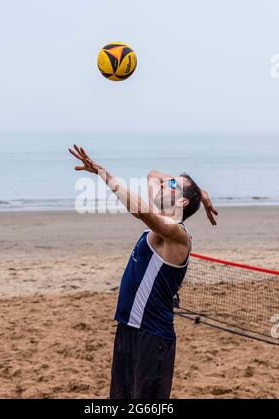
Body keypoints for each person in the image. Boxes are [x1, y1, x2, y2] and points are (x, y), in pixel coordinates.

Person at [69, 145, 218, 399]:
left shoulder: (176, 234)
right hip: (127, 329)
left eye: (172, 186)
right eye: (168, 182)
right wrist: (197, 191)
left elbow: (140, 210)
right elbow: (152, 175)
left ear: (181, 202)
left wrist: (105, 173)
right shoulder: (161, 222)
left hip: (153, 338)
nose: (162, 184)